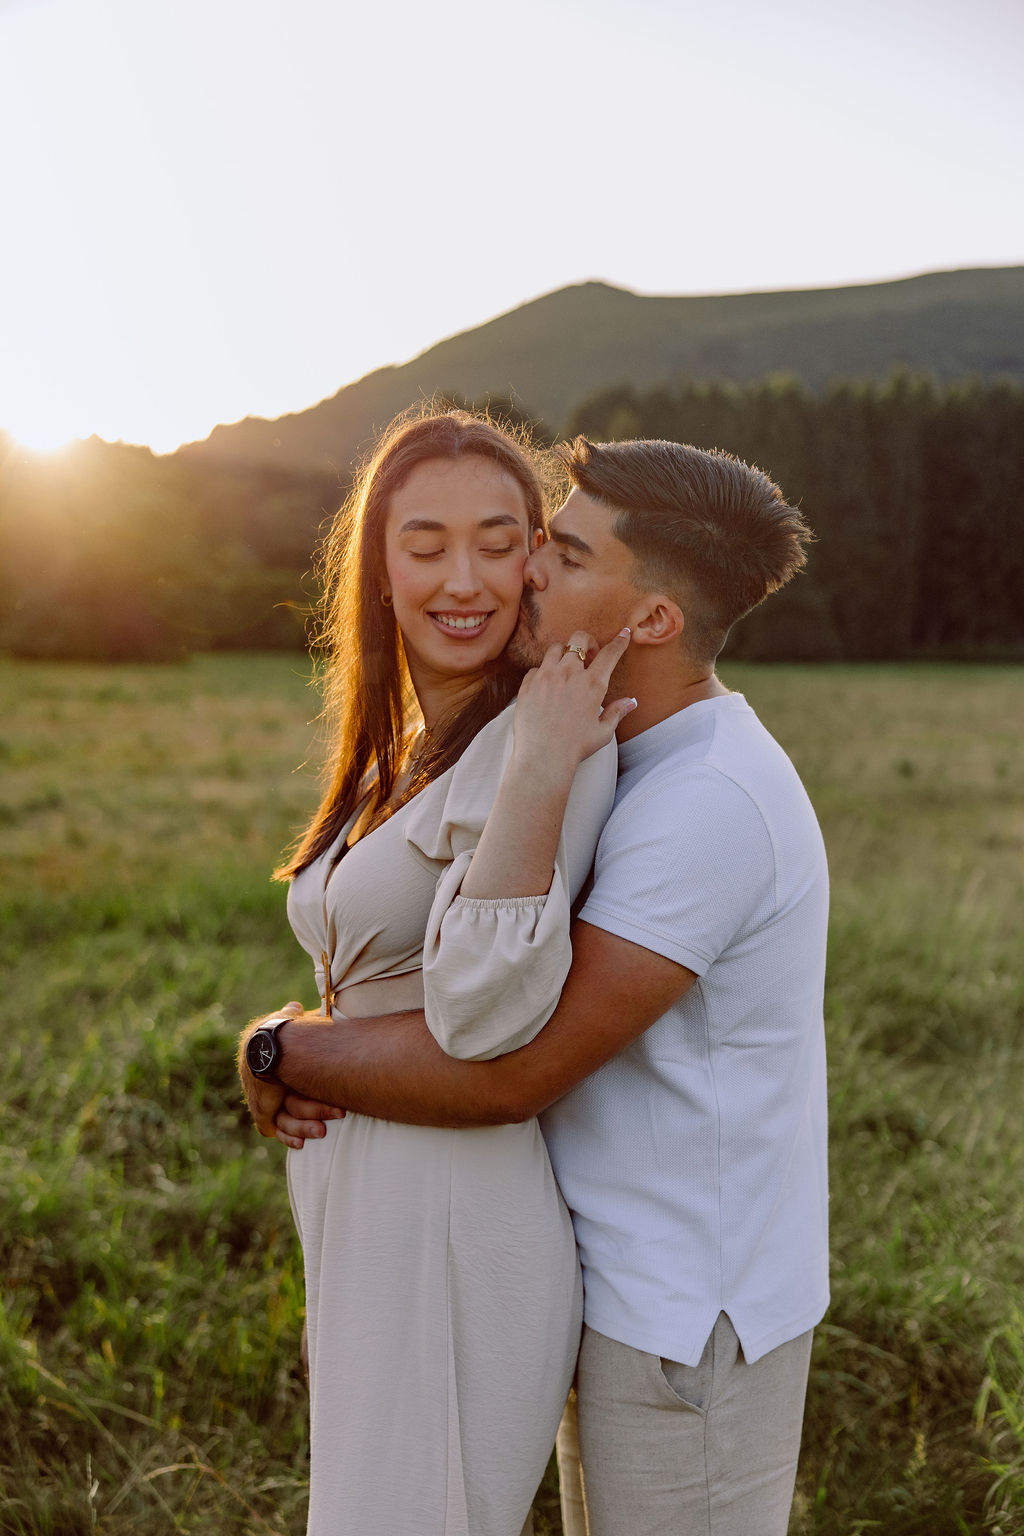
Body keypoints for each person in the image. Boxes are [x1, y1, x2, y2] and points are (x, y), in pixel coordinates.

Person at [242, 435, 829, 1536]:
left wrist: (286, 1049)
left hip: (687, 1313)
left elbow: (513, 1066)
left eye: (561, 553)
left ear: (652, 619)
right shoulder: (623, 750)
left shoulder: (708, 802)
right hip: (603, 1269)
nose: (523, 573)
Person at [239, 406, 634, 1536]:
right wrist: (275, 1047)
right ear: (379, 568)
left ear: (535, 560)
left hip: (456, 1214)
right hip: (366, 1199)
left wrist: (539, 769)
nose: (463, 581)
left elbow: (485, 1019)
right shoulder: (407, 751)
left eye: (498, 544)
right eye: (425, 546)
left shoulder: (547, 740)